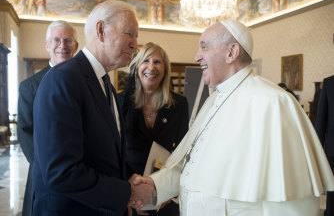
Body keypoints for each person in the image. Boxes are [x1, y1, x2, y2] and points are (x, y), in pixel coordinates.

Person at [131, 20, 334, 216]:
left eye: (204, 47)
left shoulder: (273, 103)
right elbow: (192, 168)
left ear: (231, 52)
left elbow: (293, 203)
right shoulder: (213, 101)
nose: (196, 57)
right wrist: (154, 185)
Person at [31, 0, 155, 216]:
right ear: (101, 30)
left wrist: (127, 178)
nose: (135, 44)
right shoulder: (63, 80)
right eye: (130, 34)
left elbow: (101, 155)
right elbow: (62, 173)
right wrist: (128, 192)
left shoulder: (105, 83)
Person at [118, 42, 189, 216]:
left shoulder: (179, 104)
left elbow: (182, 152)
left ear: (165, 70)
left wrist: (167, 191)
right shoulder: (121, 102)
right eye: (146, 61)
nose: (151, 67)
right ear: (137, 67)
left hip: (164, 193)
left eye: (157, 62)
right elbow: (115, 152)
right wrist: (129, 194)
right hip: (129, 191)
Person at [17, 20, 78, 216]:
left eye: (68, 40)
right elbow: (26, 132)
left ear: (76, 46)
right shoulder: (29, 87)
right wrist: (50, 168)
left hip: (81, 175)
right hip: (45, 174)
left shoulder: (86, 84)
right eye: (57, 40)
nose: (63, 45)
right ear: (47, 45)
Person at [315, 75, 334, 216]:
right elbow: (320, 121)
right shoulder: (329, 83)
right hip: (332, 150)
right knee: (332, 197)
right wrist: (317, 152)